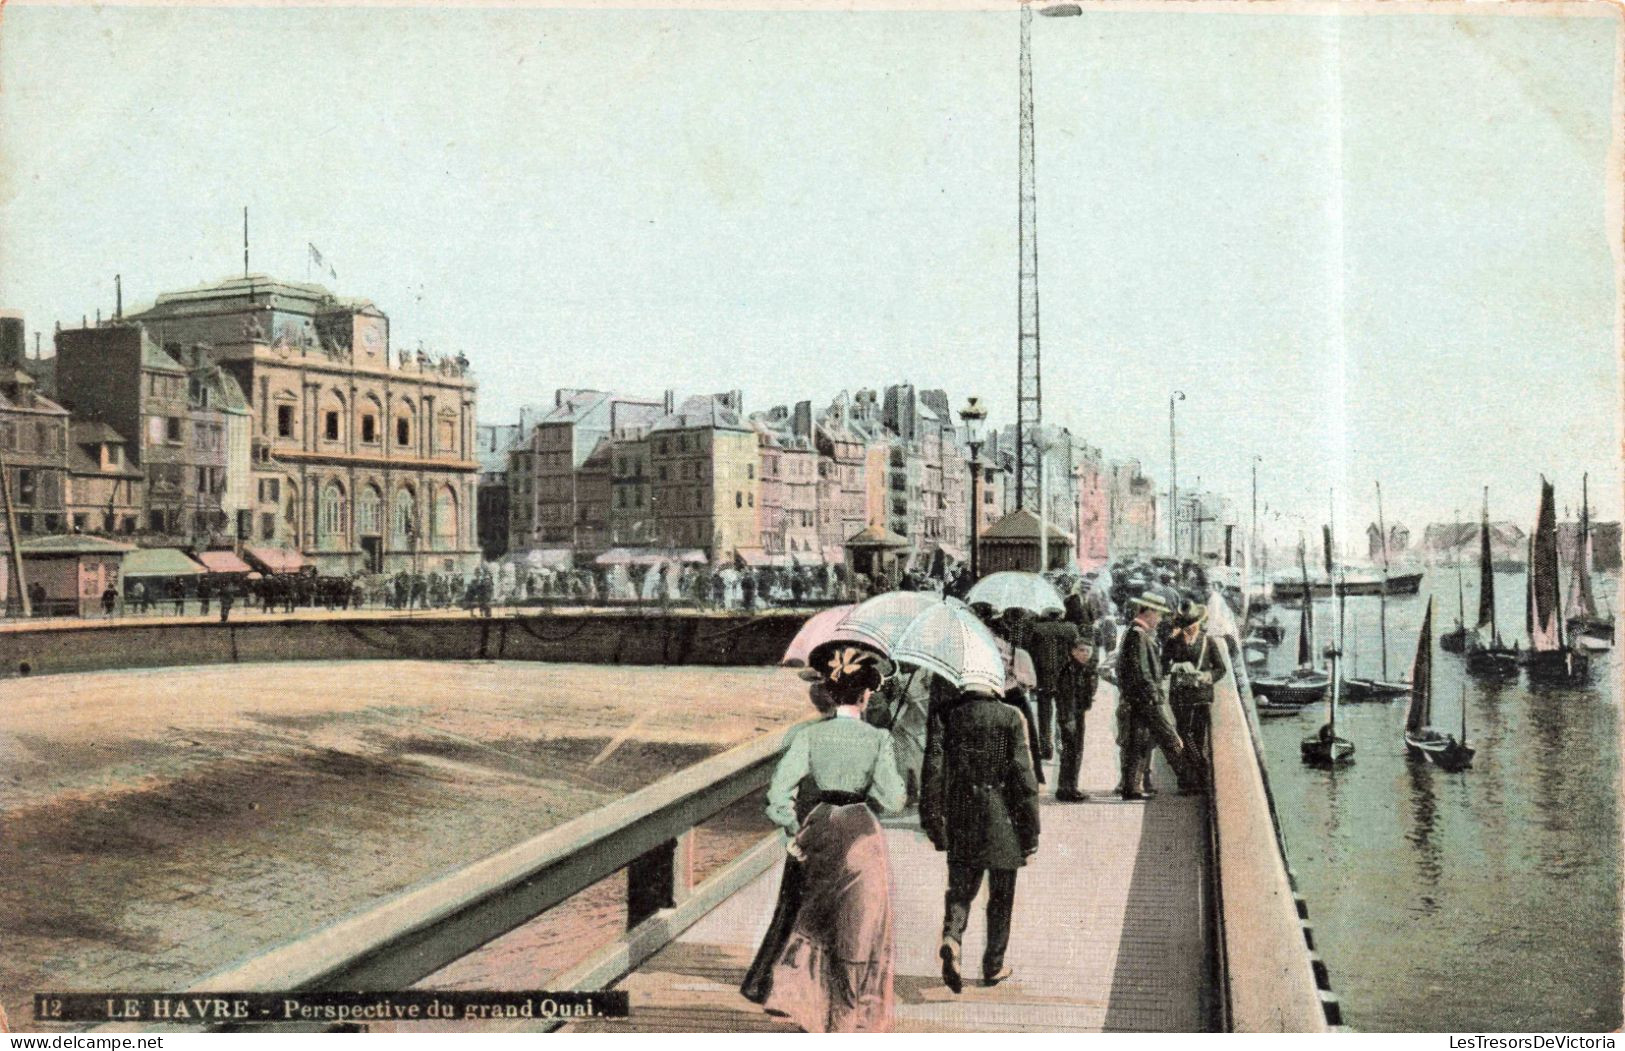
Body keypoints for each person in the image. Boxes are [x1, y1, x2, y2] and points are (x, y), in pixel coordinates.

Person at [752, 642, 906, 1033]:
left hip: (818, 827)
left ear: (829, 692)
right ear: (866, 693)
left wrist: (793, 829)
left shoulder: (810, 736)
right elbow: (893, 800)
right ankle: (848, 1019)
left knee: (815, 922)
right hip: (860, 833)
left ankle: (811, 1011)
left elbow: (778, 794)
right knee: (860, 924)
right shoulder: (877, 739)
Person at [920, 678, 1041, 993]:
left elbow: (933, 769)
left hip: (961, 816)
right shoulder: (1010, 716)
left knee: (960, 890)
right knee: (1001, 898)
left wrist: (933, 819)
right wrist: (1030, 832)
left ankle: (952, 937)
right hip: (1003, 818)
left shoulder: (945, 715)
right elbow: (1024, 779)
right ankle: (993, 965)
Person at [1116, 591, 1206, 799]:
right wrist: (1154, 696)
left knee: (1138, 743)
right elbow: (1142, 671)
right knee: (1170, 738)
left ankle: (1132, 788)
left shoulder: (1135, 633)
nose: (1160, 620)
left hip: (1138, 699)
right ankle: (1189, 782)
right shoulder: (1138, 635)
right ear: (1149, 612)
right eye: (1158, 615)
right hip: (1147, 700)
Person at [1162, 601, 1227, 768]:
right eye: (1187, 625)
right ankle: (1197, 770)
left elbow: (1221, 669)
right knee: (1182, 733)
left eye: (1193, 624)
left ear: (1199, 622)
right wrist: (1174, 667)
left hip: (1201, 695)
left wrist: (1207, 676)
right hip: (1180, 693)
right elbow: (1162, 665)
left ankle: (1194, 774)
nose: (1190, 628)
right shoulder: (1172, 641)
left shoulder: (1209, 642)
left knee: (1199, 734)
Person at [1026, 607, 1080, 762]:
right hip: (1065, 678)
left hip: (1044, 678)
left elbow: (1032, 656)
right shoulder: (1071, 629)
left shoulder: (1037, 630)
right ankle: (1062, 744)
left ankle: (1046, 748)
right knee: (1064, 714)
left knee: (1044, 714)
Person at [1053, 634, 1098, 802]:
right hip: (1070, 716)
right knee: (1072, 752)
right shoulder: (1069, 670)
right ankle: (1067, 789)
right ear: (1073, 652)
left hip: (1076, 715)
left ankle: (1069, 787)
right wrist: (1067, 719)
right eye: (1082, 651)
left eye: (1088, 651)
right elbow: (1065, 697)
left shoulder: (1082, 669)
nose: (1085, 654)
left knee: (1074, 752)